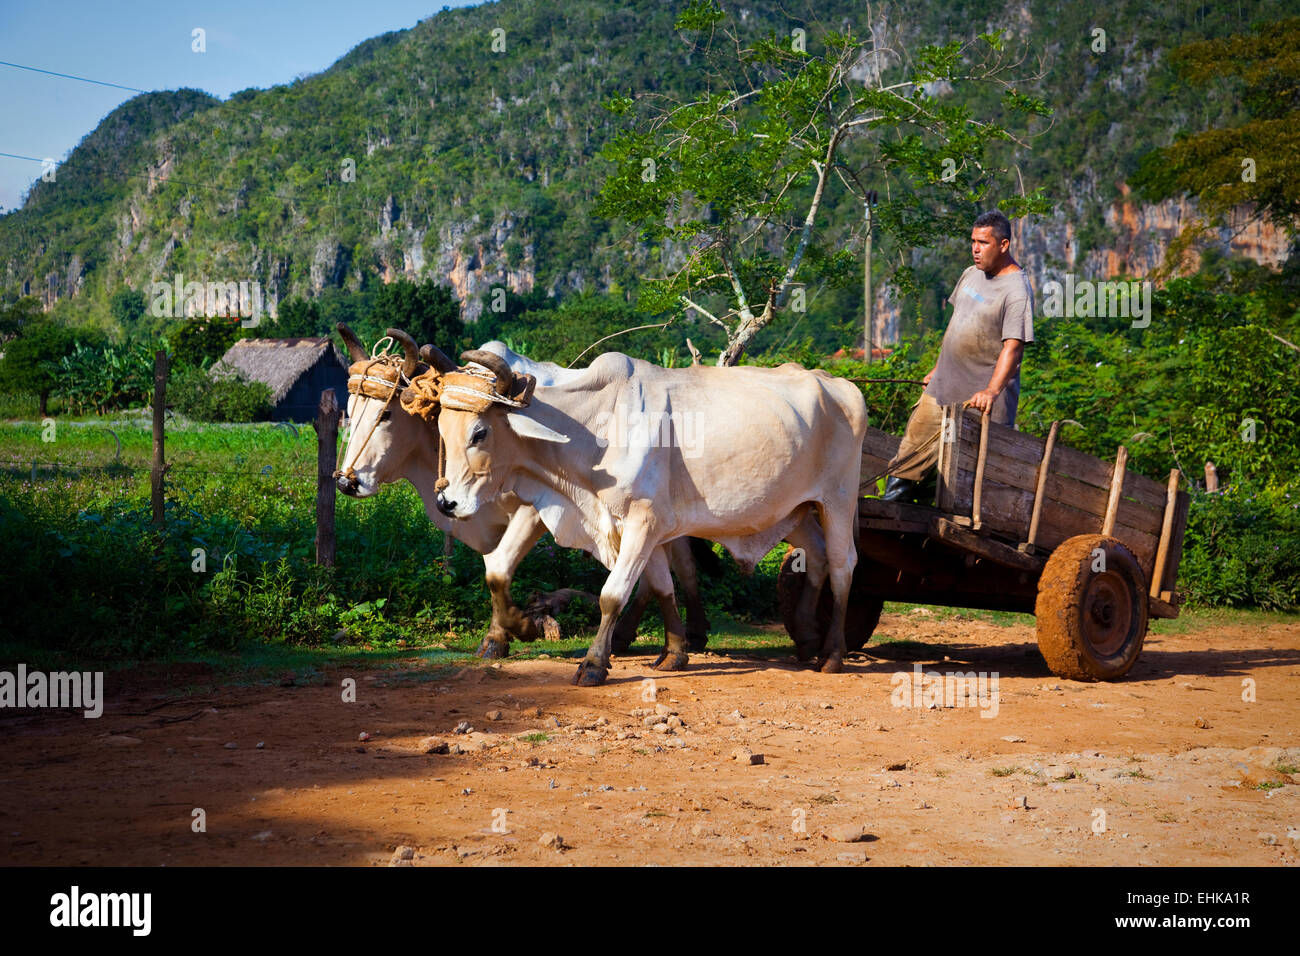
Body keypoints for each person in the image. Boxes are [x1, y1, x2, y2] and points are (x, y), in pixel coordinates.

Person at [882, 210, 1035, 503]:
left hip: (976, 404)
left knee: (960, 480)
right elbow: (957, 324)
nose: (976, 249)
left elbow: (1013, 349)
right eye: (973, 242)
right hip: (941, 389)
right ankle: (888, 516)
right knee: (909, 457)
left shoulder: (1017, 291)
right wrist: (937, 368)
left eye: (984, 243)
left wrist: (991, 391)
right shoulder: (970, 274)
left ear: (1003, 245)